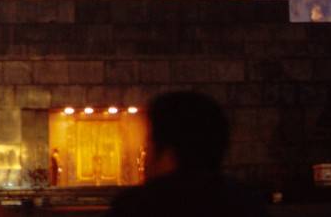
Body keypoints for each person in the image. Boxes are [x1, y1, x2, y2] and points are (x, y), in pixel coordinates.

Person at [105, 91, 268, 217]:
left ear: (167, 152)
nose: (144, 158)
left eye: (148, 144)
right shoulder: (247, 203)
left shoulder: (136, 207)